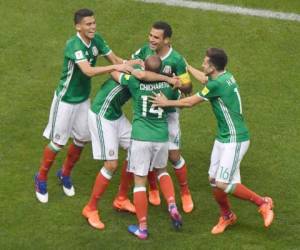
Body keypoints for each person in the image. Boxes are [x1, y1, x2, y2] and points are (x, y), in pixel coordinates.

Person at [151, 48, 274, 234]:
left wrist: (165, 103)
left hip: (235, 138)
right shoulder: (224, 77)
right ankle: (227, 216)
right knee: (213, 180)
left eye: (205, 62)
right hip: (223, 137)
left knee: (223, 183)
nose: (203, 64)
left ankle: (263, 203)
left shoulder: (217, 85)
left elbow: (189, 102)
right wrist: (187, 66)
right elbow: (204, 79)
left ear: (213, 67)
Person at [34, 8, 132, 203]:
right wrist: (115, 67)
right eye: (88, 24)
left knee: (82, 139)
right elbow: (87, 71)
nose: (93, 27)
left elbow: (115, 59)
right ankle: (41, 178)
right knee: (58, 142)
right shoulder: (74, 45)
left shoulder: (97, 40)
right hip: (65, 100)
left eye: (94, 23)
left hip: (82, 99)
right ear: (78, 26)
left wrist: (132, 64)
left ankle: (65, 173)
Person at [82, 66, 181, 230]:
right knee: (111, 165)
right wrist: (170, 80)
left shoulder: (145, 76)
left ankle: (121, 198)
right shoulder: (137, 73)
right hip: (102, 114)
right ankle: (90, 208)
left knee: (134, 148)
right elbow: (133, 73)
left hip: (116, 114)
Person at [111, 55, 182, 240]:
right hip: (161, 137)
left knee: (140, 182)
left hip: (141, 137)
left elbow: (114, 73)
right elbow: (179, 94)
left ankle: (142, 227)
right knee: (162, 171)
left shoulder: (134, 82)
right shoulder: (168, 86)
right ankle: (172, 204)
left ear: (146, 69)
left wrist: (130, 66)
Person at [131, 21, 194, 213]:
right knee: (149, 151)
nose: (151, 39)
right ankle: (152, 188)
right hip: (147, 111)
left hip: (169, 112)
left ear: (166, 40)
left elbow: (188, 87)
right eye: (150, 35)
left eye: (156, 37)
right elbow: (131, 65)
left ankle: (185, 191)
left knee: (174, 155)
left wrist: (178, 85)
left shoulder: (176, 60)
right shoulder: (143, 52)